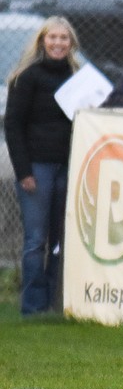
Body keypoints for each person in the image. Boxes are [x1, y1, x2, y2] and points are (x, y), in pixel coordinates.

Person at [5, 16, 82, 316]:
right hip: (37, 168)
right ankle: (33, 305)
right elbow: (13, 125)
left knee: (62, 239)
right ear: (42, 41)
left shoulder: (79, 77)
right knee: (36, 240)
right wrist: (24, 171)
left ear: (71, 43)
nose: (58, 43)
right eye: (53, 37)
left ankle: (56, 301)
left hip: (69, 167)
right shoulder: (26, 77)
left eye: (64, 38)